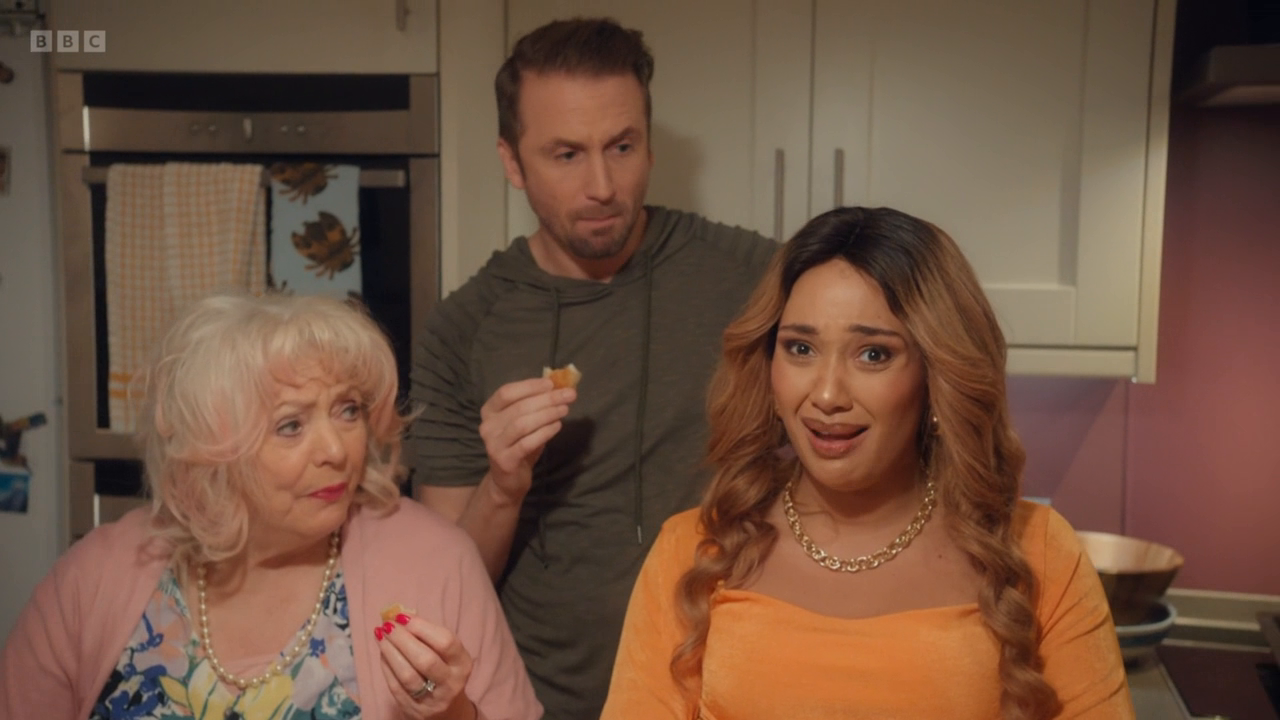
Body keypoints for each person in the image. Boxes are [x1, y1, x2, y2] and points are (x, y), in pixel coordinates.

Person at [600, 206, 1134, 719]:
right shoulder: (693, 552)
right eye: (800, 348)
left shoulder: (1037, 552)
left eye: (873, 354)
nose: (827, 395)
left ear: (937, 376)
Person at [408, 17, 777, 719]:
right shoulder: (464, 329)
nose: (602, 185)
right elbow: (449, 584)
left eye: (622, 147)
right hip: (542, 700)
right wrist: (503, 486)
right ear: (512, 162)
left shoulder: (752, 276)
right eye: (566, 154)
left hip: (724, 694)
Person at [0, 293, 542, 720]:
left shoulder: (434, 560)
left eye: (348, 410)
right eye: (291, 425)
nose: (337, 451)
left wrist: (453, 713)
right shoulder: (95, 576)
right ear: (211, 449)